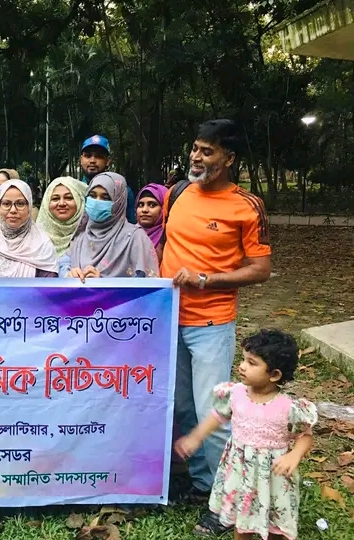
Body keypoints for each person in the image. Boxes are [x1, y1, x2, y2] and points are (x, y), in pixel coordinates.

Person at [160, 119, 271, 532]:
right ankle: (203, 484)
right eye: (195, 148)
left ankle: (229, 505)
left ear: (229, 158)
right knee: (183, 407)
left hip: (211, 322)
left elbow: (260, 269)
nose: (196, 157)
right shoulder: (178, 193)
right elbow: (167, 244)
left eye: (207, 151)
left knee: (215, 411)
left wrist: (207, 279)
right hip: (169, 317)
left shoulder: (247, 206)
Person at [175, 329, 317, 539]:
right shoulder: (235, 394)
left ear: (274, 375)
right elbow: (218, 416)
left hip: (273, 475)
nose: (242, 366)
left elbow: (305, 435)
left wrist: (294, 455)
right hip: (241, 471)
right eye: (243, 359)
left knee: (275, 523)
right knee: (241, 520)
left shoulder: (288, 407)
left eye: (252, 363)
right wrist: (196, 437)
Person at [63, 172, 159, 280]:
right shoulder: (81, 237)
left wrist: (104, 284)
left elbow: (149, 285)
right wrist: (69, 275)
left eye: (105, 198)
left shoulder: (135, 238)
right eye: (92, 196)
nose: (97, 202)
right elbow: (63, 266)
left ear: (119, 201)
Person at [0, 179, 58, 277]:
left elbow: (48, 285)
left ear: (29, 207)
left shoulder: (42, 245)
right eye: (6, 204)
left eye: (20, 204)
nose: (13, 210)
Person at [80, 135, 136, 224]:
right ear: (81, 159)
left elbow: (131, 223)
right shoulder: (74, 190)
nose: (92, 160)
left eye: (99, 156)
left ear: (108, 161)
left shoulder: (121, 191)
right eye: (88, 156)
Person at [36, 176, 87, 257]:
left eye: (68, 197)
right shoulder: (35, 239)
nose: (61, 203)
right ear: (47, 202)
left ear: (79, 201)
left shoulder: (91, 237)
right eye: (55, 199)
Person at [135, 183, 167, 251]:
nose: (144, 210)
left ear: (163, 208)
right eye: (140, 205)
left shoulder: (169, 239)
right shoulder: (129, 237)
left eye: (152, 205)